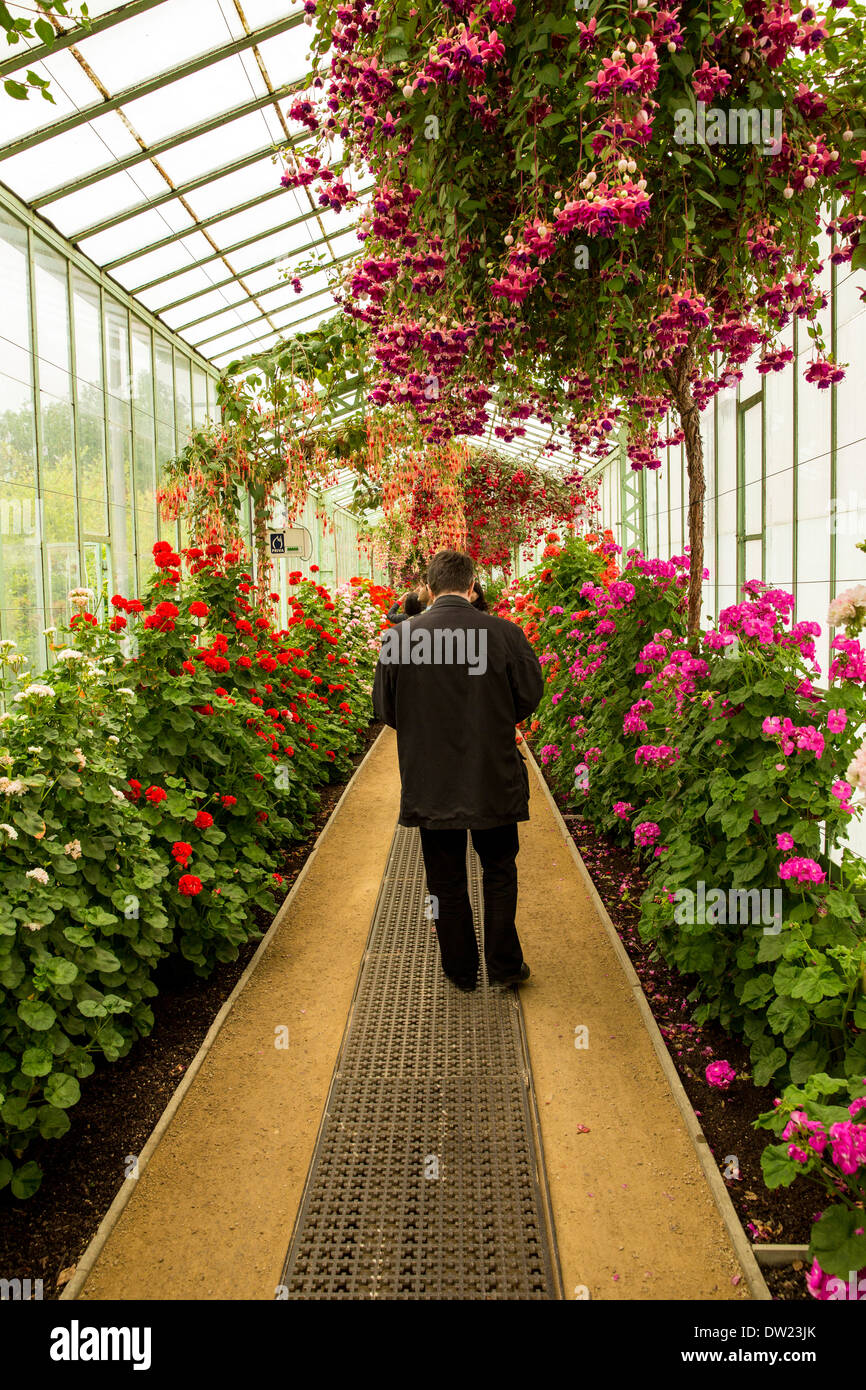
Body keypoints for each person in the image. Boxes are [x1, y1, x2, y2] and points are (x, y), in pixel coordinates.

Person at [373, 549, 544, 993]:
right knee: (499, 869)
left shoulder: (400, 639)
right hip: (492, 774)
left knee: (445, 879)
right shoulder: (505, 633)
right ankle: (505, 966)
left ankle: (461, 970)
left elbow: (386, 710)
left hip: (431, 779)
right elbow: (527, 697)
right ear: (472, 587)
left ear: (428, 590)